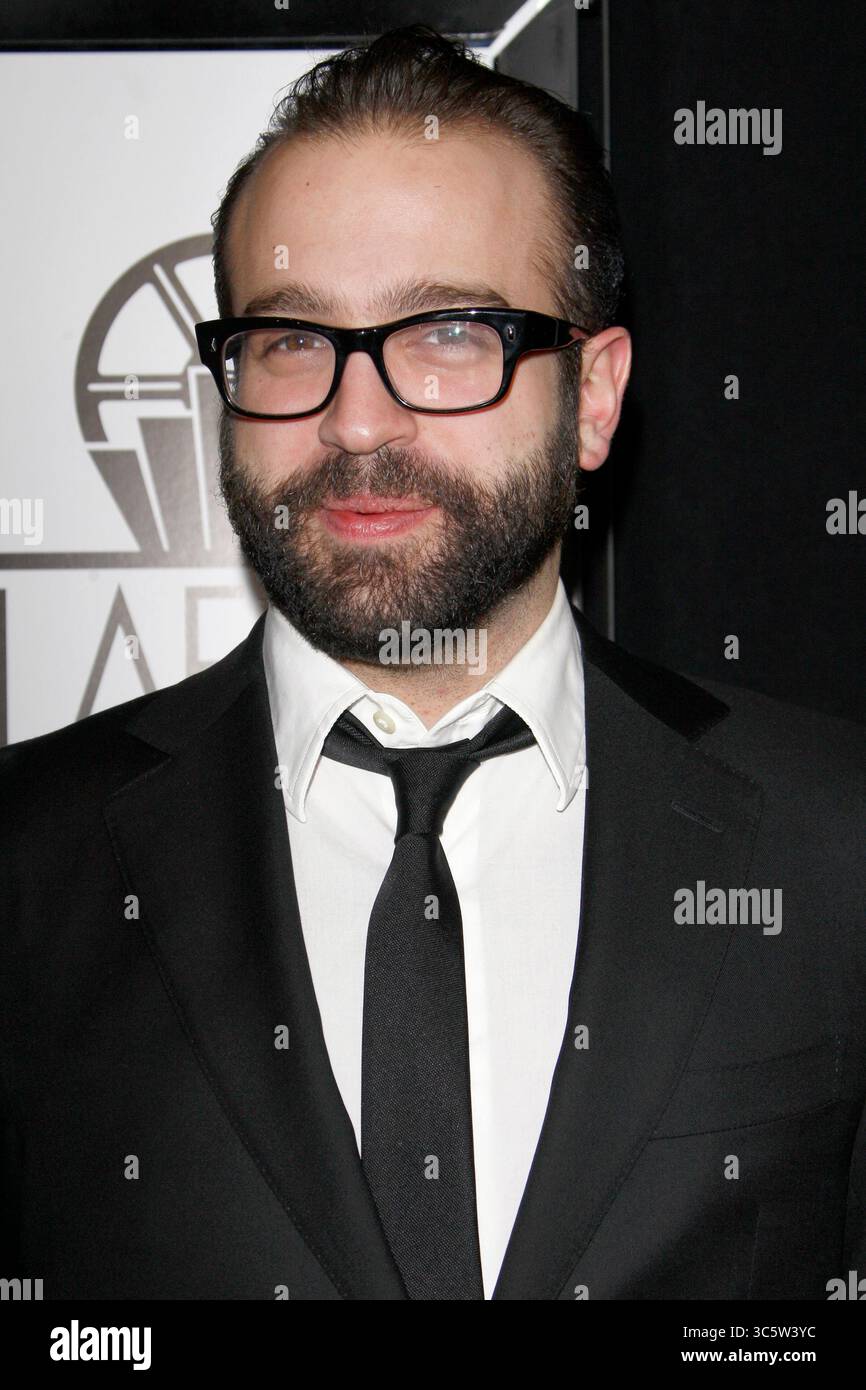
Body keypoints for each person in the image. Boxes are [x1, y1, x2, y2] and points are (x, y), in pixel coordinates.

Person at [1, 25, 864, 1302]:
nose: (357, 421)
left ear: (594, 395)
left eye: (450, 332)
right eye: (292, 342)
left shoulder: (832, 839)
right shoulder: (27, 865)